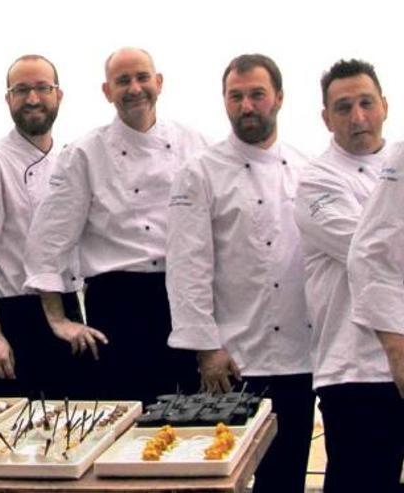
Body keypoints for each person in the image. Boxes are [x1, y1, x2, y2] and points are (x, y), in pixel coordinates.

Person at [23, 47, 206, 403]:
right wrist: (59, 321)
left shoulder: (195, 144)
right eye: (123, 81)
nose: (134, 88)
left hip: (185, 296)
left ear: (159, 83)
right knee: (129, 424)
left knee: (191, 424)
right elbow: (47, 242)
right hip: (119, 306)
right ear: (107, 91)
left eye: (142, 78)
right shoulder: (84, 153)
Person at [166, 53, 314, 493]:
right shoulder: (199, 172)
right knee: (220, 475)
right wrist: (206, 347)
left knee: (286, 476)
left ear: (279, 99)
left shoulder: (307, 169)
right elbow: (187, 266)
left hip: (299, 355)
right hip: (231, 358)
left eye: (257, 95)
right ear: (224, 102)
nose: (246, 106)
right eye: (236, 97)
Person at [295, 59, 403, 493]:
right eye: (343, 107)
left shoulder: (398, 165)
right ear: (325, 118)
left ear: (384, 106)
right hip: (355, 370)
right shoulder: (316, 181)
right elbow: (372, 252)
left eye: (365, 103)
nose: (358, 117)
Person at [0, 55, 84, 399]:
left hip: (71, 309)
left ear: (59, 95)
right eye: (21, 90)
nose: (33, 98)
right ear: (8, 99)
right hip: (17, 317)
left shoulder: (71, 160)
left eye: (42, 88)